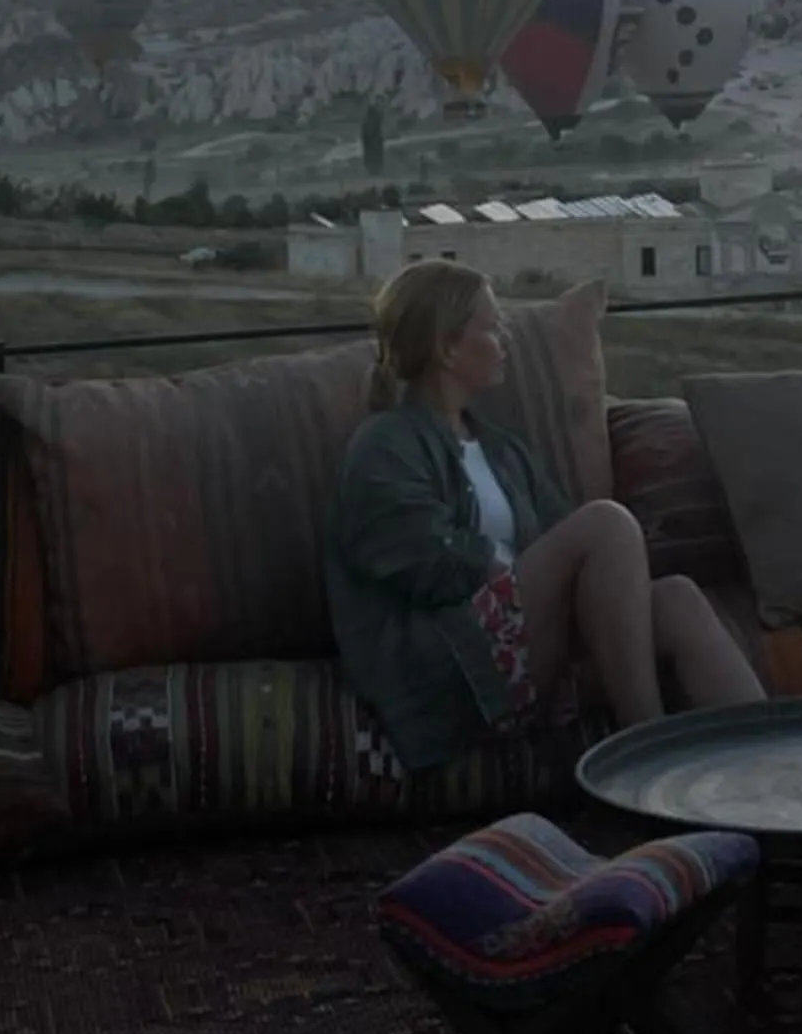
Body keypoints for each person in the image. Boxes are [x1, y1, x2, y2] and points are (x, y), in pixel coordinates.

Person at [325, 259, 765, 775]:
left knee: (677, 599)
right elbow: (427, 565)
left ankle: (775, 777)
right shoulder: (384, 445)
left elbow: (568, 540)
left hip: (527, 651)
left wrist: (570, 581)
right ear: (446, 347)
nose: (505, 336)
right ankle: (644, 760)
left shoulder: (501, 450)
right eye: (491, 326)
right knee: (605, 522)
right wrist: (514, 572)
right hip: (451, 671)